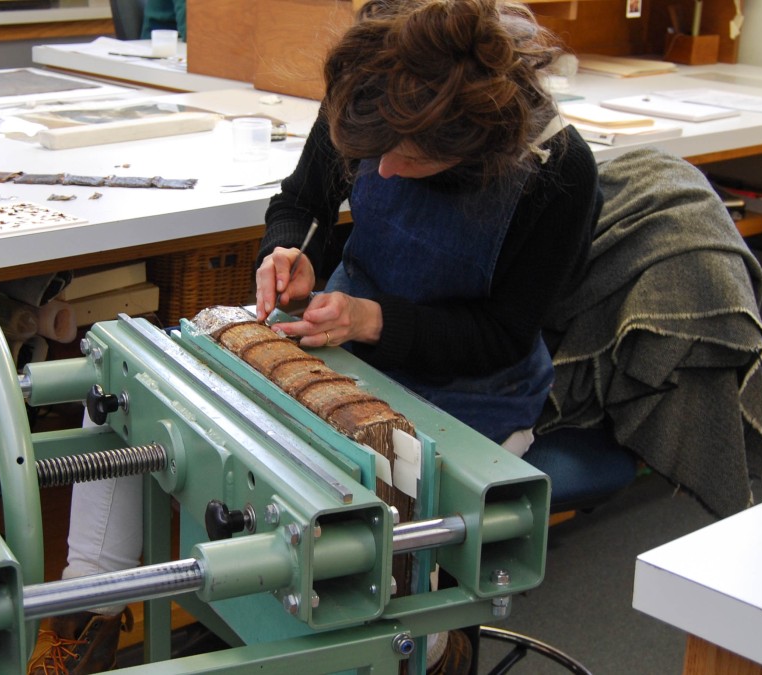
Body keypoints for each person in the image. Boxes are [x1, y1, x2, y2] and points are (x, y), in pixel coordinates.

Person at [255, 1, 600, 671]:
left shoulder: (556, 168)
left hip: (476, 389)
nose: (378, 173)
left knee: (382, 567)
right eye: (371, 152)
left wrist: (373, 320)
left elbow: (502, 334)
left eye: (402, 159)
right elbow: (304, 203)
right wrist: (292, 251)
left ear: (468, 147)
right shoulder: (375, 87)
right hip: (354, 338)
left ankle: (439, 644)